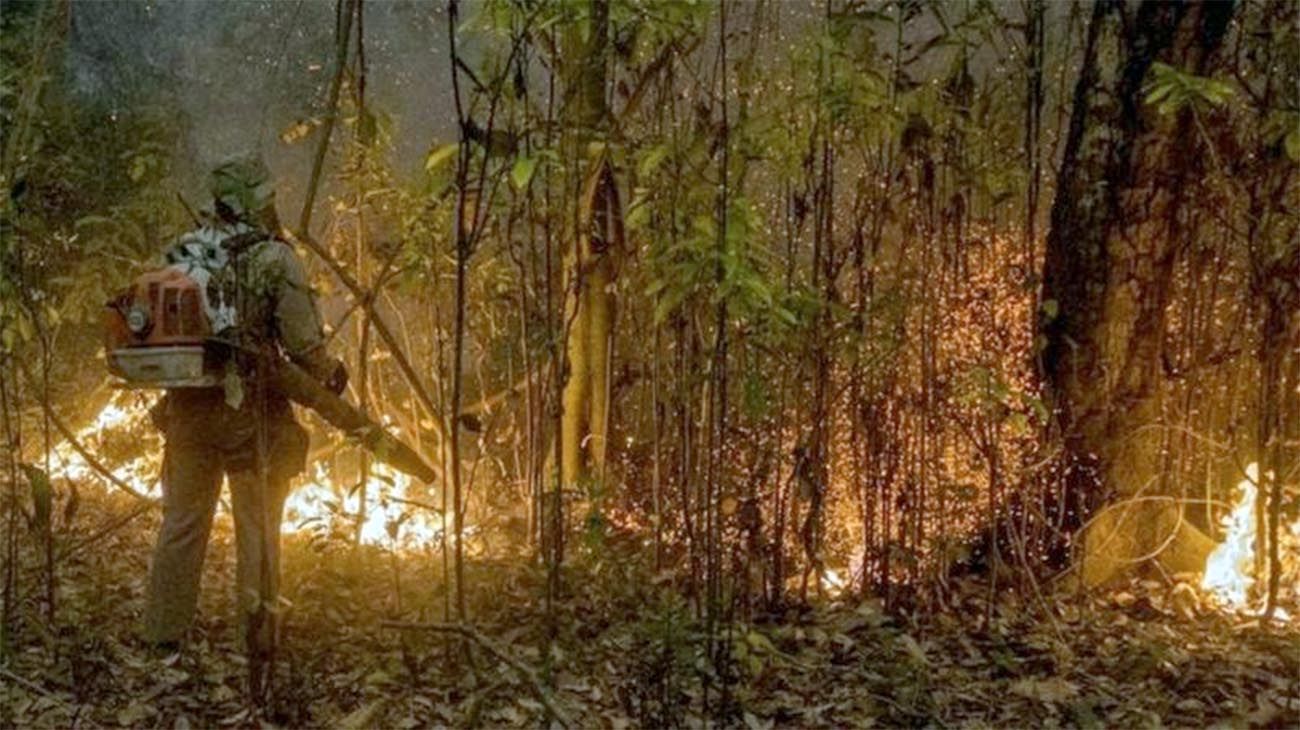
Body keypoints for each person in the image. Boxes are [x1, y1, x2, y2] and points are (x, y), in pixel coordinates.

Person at [142, 156, 345, 666]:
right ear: (261, 201)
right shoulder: (276, 258)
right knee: (257, 526)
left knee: (183, 522)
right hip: (252, 414)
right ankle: (258, 641)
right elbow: (302, 345)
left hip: (187, 412)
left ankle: (161, 637)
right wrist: (332, 373)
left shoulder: (183, 251)